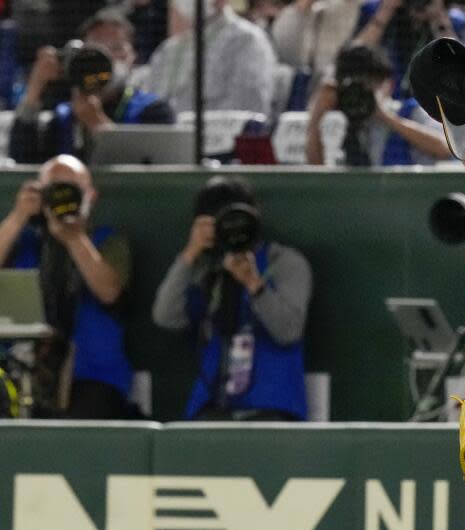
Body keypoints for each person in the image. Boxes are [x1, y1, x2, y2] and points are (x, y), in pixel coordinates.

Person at [152, 176, 313, 421]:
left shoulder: (284, 262)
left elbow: (289, 330)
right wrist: (190, 253)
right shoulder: (205, 270)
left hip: (271, 405)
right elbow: (165, 316)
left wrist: (254, 285)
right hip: (212, 402)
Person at [0, 155, 135, 419]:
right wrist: (17, 218)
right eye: (54, 189)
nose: (62, 198)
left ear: (90, 196)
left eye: (71, 189)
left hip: (91, 374)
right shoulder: (23, 242)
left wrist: (75, 239)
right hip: (20, 369)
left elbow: (110, 293)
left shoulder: (109, 242)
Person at [9, 8, 175, 164]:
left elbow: (153, 174)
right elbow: (23, 163)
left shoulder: (154, 111)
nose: (107, 58)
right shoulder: (63, 117)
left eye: (116, 48)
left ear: (133, 58)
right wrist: (34, 90)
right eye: (97, 49)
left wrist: (97, 124)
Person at [306, 43, 450, 166]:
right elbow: (317, 172)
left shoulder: (409, 112)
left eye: (369, 83)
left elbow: (445, 149)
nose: (362, 92)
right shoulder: (338, 122)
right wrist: (317, 116)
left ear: (390, 85)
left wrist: (386, 117)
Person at [145, 0, 276, 114]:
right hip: (163, 138)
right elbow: (149, 106)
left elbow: (248, 109)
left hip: (213, 139)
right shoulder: (168, 50)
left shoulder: (247, 41)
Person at [353, 0, 465, 97]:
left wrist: (439, 21)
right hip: (378, 95)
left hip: (426, 104)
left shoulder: (454, 22)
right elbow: (354, 55)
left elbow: (463, 72)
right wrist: (386, 11)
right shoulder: (375, 9)